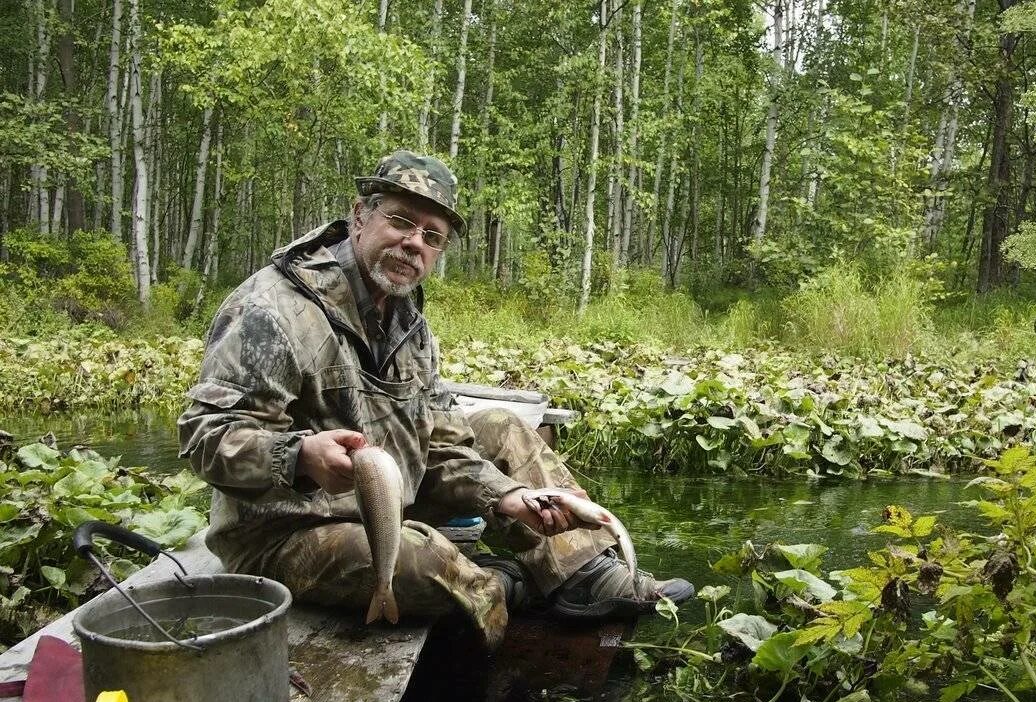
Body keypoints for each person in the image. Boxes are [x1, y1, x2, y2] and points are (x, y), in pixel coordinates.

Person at [178, 149, 694, 647]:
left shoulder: (409, 324)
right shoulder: (274, 310)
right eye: (401, 222)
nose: (413, 244)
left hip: (389, 496)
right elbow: (206, 437)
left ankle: (584, 573)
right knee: (428, 568)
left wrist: (505, 496)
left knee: (503, 428)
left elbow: (442, 443)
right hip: (284, 530)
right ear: (360, 215)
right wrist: (299, 457)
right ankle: (500, 584)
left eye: (432, 236)